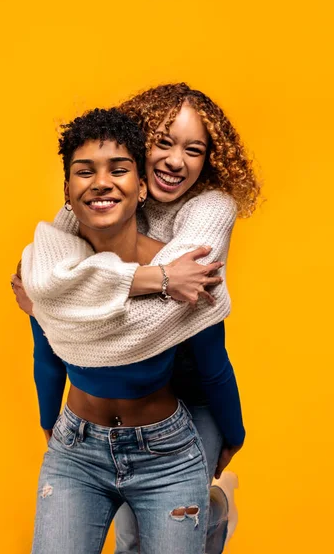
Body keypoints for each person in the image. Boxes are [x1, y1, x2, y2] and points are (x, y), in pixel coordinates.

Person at [14, 84, 260, 553]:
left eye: (194, 149)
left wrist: (234, 431)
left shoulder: (206, 215)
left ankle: (211, 513)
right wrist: (51, 422)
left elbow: (204, 349)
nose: (175, 160)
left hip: (173, 423)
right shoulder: (66, 251)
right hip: (80, 440)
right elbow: (45, 344)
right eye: (163, 142)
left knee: (134, 542)